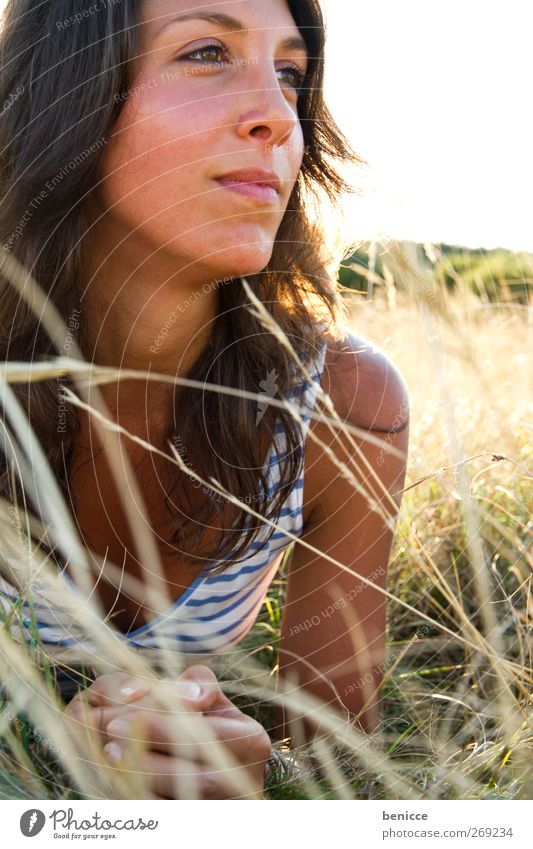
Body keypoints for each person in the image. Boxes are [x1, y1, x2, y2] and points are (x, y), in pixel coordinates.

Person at [0, 0, 409, 799]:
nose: (275, 115)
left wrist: (252, 778)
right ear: (68, 92)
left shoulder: (341, 406)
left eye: (290, 73)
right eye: (206, 53)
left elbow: (340, 763)